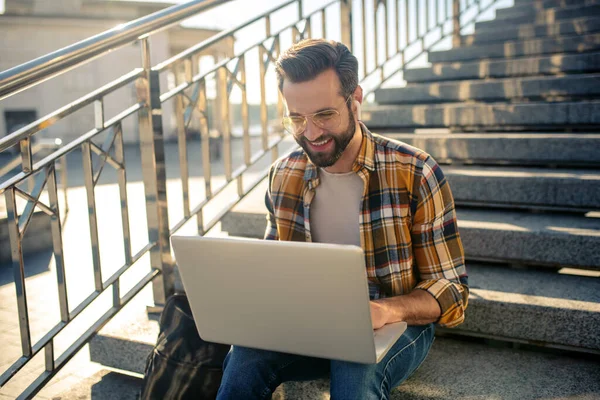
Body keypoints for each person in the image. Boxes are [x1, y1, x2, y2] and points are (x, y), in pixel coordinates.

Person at [216, 38, 469, 399]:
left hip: (398, 322)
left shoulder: (415, 171)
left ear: (356, 100)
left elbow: (451, 290)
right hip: (313, 321)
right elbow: (276, 267)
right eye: (296, 118)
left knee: (355, 368)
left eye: (324, 115)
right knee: (243, 358)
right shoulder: (283, 174)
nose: (311, 132)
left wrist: (383, 310)